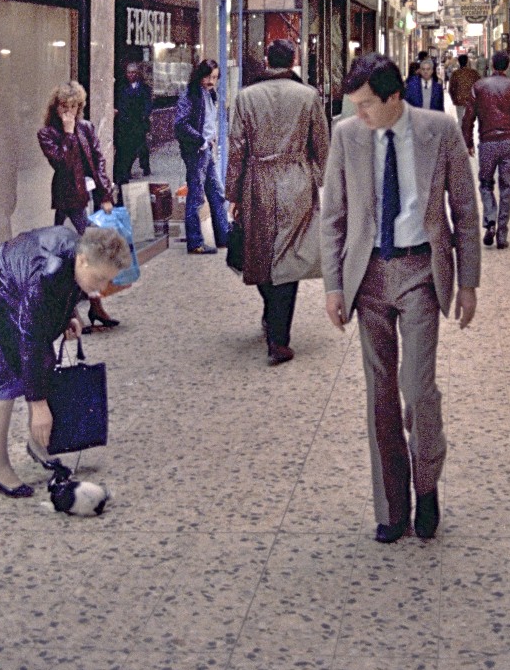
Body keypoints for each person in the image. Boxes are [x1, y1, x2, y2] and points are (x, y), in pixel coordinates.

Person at [321, 53, 480, 544]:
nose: (359, 115)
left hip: (419, 271)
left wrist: (469, 282)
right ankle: (391, 506)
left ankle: (427, 485)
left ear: (395, 98)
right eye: (354, 106)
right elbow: (333, 217)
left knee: (417, 388)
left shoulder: (439, 131)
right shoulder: (347, 136)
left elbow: (465, 210)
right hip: (366, 275)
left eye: (368, 105)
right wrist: (332, 285)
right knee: (380, 394)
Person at [0, 224, 131, 497]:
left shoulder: (76, 254)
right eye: (100, 278)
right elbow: (31, 337)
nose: (101, 289)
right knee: (3, 382)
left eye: (108, 281)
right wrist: (39, 404)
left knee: (38, 364)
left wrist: (69, 315)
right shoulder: (48, 271)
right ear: (82, 259)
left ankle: (38, 444)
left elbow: (60, 295)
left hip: (12, 296)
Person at [225, 39, 330, 365]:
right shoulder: (308, 96)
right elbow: (322, 145)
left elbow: (237, 149)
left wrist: (234, 192)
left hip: (258, 183)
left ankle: (274, 321)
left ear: (267, 60)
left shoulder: (246, 97)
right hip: (296, 181)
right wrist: (313, 176)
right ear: (294, 60)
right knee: (289, 255)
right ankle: (278, 334)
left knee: (261, 252)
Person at [37, 81, 118, 328]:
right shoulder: (47, 134)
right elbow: (61, 163)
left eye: (74, 106)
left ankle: (92, 307)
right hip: (68, 200)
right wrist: (69, 133)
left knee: (84, 256)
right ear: (56, 108)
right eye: (64, 107)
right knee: (74, 256)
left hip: (89, 196)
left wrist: (106, 195)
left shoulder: (86, 128)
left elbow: (98, 161)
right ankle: (78, 310)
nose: (69, 112)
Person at [462, 50, 510, 249]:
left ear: (491, 64)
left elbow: (468, 117)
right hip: (509, 142)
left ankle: (490, 219)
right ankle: (502, 234)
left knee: (486, 184)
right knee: (507, 188)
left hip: (487, 142)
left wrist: (468, 142)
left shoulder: (479, 86)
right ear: (507, 66)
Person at [174, 59, 229, 254]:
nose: (211, 81)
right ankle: (195, 242)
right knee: (196, 197)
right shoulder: (190, 95)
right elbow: (180, 125)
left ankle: (223, 236)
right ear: (200, 75)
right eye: (208, 76)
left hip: (206, 150)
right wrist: (201, 141)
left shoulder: (209, 94)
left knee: (216, 193)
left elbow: (207, 121)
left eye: (214, 77)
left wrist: (209, 140)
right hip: (196, 152)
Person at [113, 61, 152, 184]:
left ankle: (144, 166)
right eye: (129, 73)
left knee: (139, 147)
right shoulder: (122, 88)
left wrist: (144, 116)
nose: (131, 75)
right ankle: (125, 171)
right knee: (126, 148)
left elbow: (147, 104)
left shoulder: (144, 88)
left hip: (138, 123)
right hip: (125, 123)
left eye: (134, 72)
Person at [447, 53, 480, 128]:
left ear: (458, 62)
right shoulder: (474, 73)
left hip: (459, 100)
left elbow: (451, 88)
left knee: (460, 119)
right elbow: (479, 86)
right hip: (471, 100)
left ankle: (461, 136)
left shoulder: (455, 74)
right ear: (467, 61)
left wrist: (454, 99)